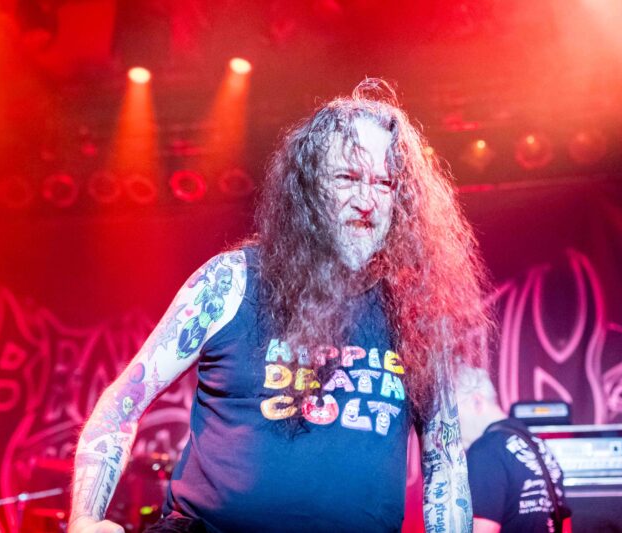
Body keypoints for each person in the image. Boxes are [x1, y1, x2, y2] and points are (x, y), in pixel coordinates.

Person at [68, 78, 492, 533]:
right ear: (309, 188)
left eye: (384, 183)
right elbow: (124, 401)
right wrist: (84, 519)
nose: (367, 201)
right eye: (347, 178)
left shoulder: (413, 312)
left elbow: (444, 457)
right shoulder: (233, 280)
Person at [455, 366, 571, 533]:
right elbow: (565, 523)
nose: (453, 426)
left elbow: (484, 529)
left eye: (454, 413)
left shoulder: (485, 450)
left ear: (477, 402)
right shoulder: (538, 444)